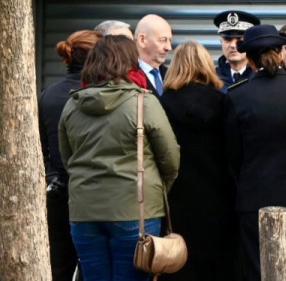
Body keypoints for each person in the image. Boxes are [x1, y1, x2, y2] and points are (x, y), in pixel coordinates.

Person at [59, 35, 180, 281]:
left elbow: (67, 159)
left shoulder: (72, 105)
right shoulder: (143, 102)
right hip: (135, 208)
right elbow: (170, 159)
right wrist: (156, 190)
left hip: (84, 212)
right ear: (129, 62)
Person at [224, 24, 286, 281]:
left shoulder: (237, 95)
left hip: (255, 200)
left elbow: (233, 156)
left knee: (259, 273)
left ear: (249, 58)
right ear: (280, 53)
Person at [160, 41, 239, 281]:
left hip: (177, 201)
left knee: (181, 265)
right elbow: (233, 151)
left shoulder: (163, 104)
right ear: (206, 65)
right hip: (219, 199)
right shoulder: (223, 102)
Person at [39, 29, 101, 281]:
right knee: (94, 268)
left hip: (57, 194)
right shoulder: (100, 97)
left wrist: (52, 177)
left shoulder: (48, 95)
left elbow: (41, 149)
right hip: (92, 196)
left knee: (59, 268)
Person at [214, 10, 260, 90]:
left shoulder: (260, 77)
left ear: (250, 42)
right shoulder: (211, 78)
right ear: (221, 42)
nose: (233, 45)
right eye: (227, 39)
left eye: (239, 39)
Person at [135, 14, 173, 97]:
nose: (169, 47)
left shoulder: (173, 76)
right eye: (163, 40)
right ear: (142, 40)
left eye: (170, 40)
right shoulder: (125, 78)